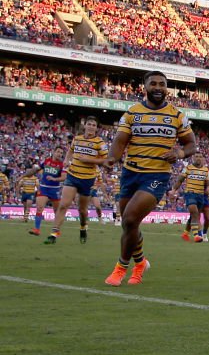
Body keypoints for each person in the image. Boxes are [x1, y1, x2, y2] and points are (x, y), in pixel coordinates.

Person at [103, 70, 196, 286]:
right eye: (153, 83)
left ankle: (121, 269)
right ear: (144, 87)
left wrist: (179, 153)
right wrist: (111, 159)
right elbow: (119, 142)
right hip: (130, 173)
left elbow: (190, 144)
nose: (157, 87)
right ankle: (141, 261)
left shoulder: (177, 115)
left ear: (166, 88)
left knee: (129, 219)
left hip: (156, 176)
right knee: (129, 225)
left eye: (162, 84)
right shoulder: (132, 113)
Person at [45, 116, 108, 244]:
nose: (91, 127)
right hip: (72, 176)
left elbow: (106, 160)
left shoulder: (99, 143)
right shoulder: (77, 139)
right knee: (63, 205)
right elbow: (70, 151)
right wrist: (66, 160)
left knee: (82, 210)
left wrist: (89, 160)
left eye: (94, 125)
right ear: (85, 126)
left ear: (96, 128)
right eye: (89, 124)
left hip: (87, 179)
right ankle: (54, 233)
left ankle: (83, 226)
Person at [25, 145, 66, 236]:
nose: (60, 154)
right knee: (39, 208)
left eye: (61, 153)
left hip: (55, 190)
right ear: (54, 152)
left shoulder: (62, 165)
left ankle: (57, 229)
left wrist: (54, 179)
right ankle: (37, 229)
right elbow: (37, 169)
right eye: (58, 152)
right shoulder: (46, 161)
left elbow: (64, 177)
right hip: (43, 188)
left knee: (57, 212)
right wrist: (28, 173)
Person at [172, 153, 209, 242]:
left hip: (201, 195)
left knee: (194, 215)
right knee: (194, 212)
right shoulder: (188, 168)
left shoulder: (206, 170)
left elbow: (208, 184)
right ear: (193, 158)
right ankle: (196, 236)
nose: (198, 158)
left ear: (203, 158)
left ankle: (185, 233)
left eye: (200, 157)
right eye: (196, 157)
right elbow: (180, 180)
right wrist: (173, 190)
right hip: (190, 193)